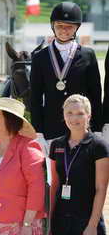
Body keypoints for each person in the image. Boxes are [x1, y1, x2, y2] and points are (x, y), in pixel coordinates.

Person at [30, 2, 104, 155]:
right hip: (51, 128)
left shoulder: (87, 55)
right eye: (59, 26)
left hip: (82, 128)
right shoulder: (40, 57)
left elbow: (95, 94)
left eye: (69, 27)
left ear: (76, 28)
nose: (64, 30)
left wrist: (97, 128)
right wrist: (38, 132)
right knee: (54, 177)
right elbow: (35, 97)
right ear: (53, 26)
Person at [0, 97, 46, 235]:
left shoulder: (28, 146)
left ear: (10, 120)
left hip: (21, 224)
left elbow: (36, 187)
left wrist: (27, 224)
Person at [49, 95, 109, 235]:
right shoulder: (56, 145)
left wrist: (92, 226)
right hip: (60, 221)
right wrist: (49, 220)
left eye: (80, 114)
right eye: (69, 113)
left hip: (86, 221)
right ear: (63, 115)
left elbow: (101, 189)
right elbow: (53, 185)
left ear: (88, 116)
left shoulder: (99, 146)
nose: (74, 118)